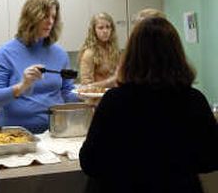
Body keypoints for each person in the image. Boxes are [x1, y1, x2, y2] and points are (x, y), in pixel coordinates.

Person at [79, 17, 218, 193]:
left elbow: (90, 162)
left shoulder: (114, 101)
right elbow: (211, 159)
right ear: (177, 54)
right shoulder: (194, 100)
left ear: (132, 55)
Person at [0, 0, 78, 134]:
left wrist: (86, 96)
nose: (50, 21)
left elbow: (67, 93)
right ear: (31, 17)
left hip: (55, 132)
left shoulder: (60, 54)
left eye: (53, 17)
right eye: (45, 16)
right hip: (17, 135)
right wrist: (22, 86)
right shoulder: (6, 53)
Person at [77, 12, 120, 88]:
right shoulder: (89, 53)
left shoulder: (114, 51)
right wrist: (110, 81)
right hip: (97, 98)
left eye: (108, 27)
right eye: (101, 28)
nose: (105, 31)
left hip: (113, 96)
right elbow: (86, 87)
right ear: (94, 31)